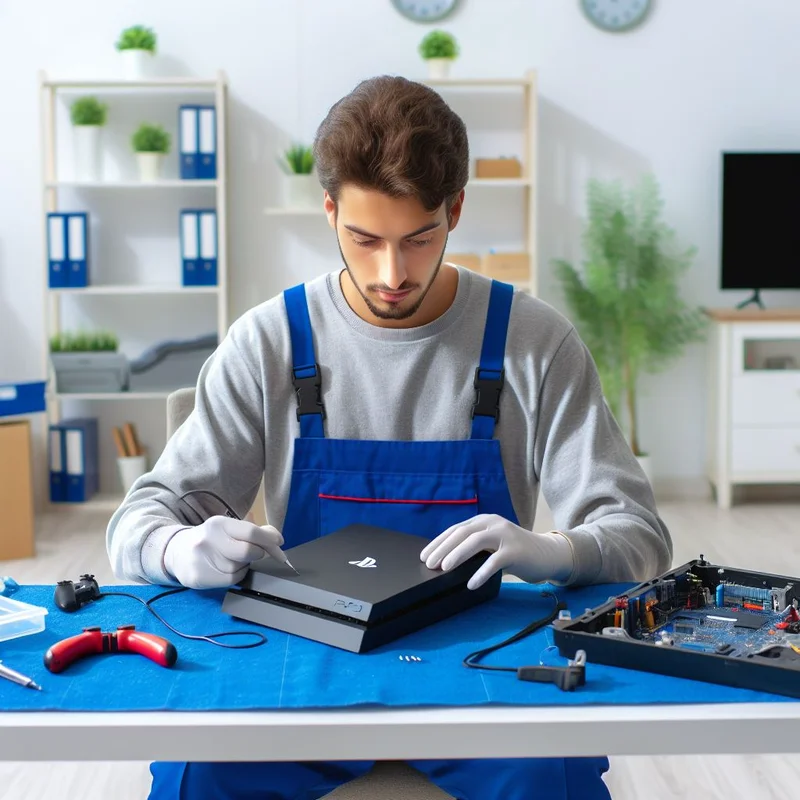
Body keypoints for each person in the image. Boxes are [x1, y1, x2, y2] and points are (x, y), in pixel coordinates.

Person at [107, 74, 672, 800]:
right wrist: (178, 547)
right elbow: (136, 523)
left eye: (419, 238)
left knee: (553, 781)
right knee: (195, 778)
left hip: (481, 671)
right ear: (329, 209)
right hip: (303, 667)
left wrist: (558, 552)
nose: (391, 273)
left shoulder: (534, 342)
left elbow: (641, 537)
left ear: (456, 208)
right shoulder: (269, 342)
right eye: (363, 239)